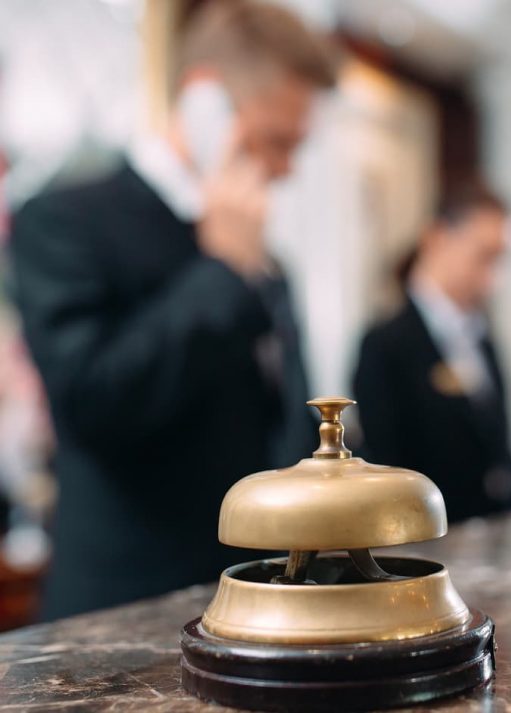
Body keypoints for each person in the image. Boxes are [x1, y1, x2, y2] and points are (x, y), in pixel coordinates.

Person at [9, 0, 337, 619]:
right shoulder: (63, 222)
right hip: (123, 614)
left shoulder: (267, 259)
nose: (286, 169)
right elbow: (90, 403)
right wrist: (219, 272)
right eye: (276, 142)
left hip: (259, 606)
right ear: (205, 102)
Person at [352, 184, 511, 523]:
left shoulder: (484, 338)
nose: (494, 278)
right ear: (436, 239)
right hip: (429, 540)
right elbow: (387, 467)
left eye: (501, 259)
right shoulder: (386, 343)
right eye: (484, 255)